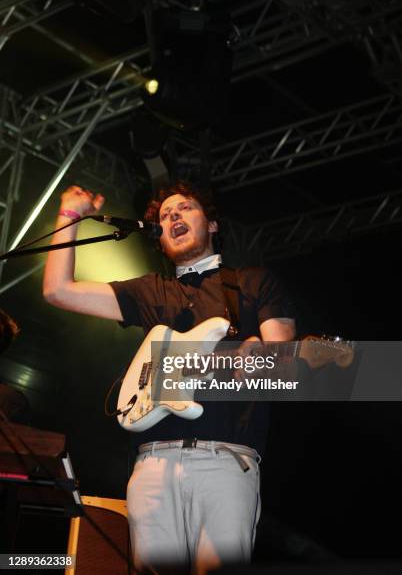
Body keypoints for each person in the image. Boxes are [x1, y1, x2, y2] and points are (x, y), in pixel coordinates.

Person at [43, 182, 296, 574]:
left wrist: (259, 360)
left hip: (226, 461)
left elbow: (286, 368)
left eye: (185, 208)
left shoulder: (252, 283)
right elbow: (58, 291)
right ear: (159, 239)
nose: (173, 217)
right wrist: (69, 216)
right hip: (153, 464)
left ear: (212, 223)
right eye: (164, 216)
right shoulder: (150, 292)